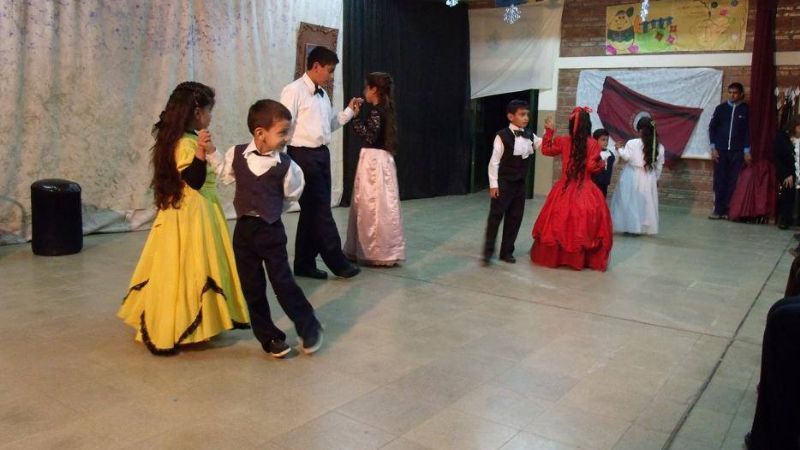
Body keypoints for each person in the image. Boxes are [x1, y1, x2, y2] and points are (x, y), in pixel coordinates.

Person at [118, 82, 249, 355]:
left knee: (185, 266)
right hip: (193, 214)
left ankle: (195, 322)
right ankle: (175, 324)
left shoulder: (177, 139)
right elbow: (195, 180)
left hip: (191, 211)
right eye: (210, 111)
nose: (211, 117)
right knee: (189, 267)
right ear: (198, 112)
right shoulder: (186, 143)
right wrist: (202, 150)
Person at [208, 99, 323, 358]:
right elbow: (226, 174)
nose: (287, 138)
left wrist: (269, 212)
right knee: (252, 287)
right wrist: (212, 152)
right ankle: (269, 337)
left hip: (270, 231)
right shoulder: (236, 154)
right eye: (282, 132)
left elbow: (290, 197)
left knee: (283, 282)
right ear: (260, 133)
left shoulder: (288, 166)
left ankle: (308, 325)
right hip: (244, 233)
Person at [280, 46, 362, 280]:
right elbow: (284, 125)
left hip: (321, 155)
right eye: (329, 70)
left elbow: (329, 125)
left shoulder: (323, 94)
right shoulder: (293, 91)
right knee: (321, 212)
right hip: (302, 156)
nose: (331, 75)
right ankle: (337, 261)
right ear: (315, 67)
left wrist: (349, 112)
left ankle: (304, 264)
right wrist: (282, 160)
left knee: (311, 212)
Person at [530, 107, 613, 271]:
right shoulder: (593, 144)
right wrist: (601, 164)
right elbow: (591, 166)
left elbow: (546, 150)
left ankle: (558, 257)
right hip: (586, 188)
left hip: (564, 187)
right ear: (588, 125)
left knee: (559, 221)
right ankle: (580, 259)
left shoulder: (563, 141)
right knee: (583, 224)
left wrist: (549, 131)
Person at [344, 72, 406, 266]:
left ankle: (374, 250)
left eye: (366, 87)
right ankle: (383, 248)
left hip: (373, 162)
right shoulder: (386, 109)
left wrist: (354, 117)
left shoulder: (377, 111)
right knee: (383, 205)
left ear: (374, 90)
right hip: (383, 160)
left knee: (371, 205)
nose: (364, 91)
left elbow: (369, 136)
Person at [483, 99, 543, 264]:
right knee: (496, 216)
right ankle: (488, 252)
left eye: (527, 115)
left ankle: (507, 251)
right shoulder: (501, 136)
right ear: (511, 116)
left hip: (520, 183)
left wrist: (550, 132)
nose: (526, 118)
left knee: (515, 218)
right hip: (503, 182)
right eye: (522, 114)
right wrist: (493, 185)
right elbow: (494, 162)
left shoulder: (530, 134)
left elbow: (543, 144)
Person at [610, 117, 665, 235]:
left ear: (639, 130)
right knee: (644, 203)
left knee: (629, 201)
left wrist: (619, 149)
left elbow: (626, 157)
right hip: (648, 176)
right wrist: (656, 178)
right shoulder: (659, 147)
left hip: (631, 174)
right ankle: (640, 228)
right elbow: (659, 166)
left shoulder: (632, 143)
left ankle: (629, 226)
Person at [708, 82, 751, 220]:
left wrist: (746, 151)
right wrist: (713, 148)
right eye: (730, 92)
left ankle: (727, 210)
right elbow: (712, 128)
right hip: (721, 150)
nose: (732, 95)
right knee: (720, 180)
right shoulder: (721, 109)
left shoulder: (746, 110)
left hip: (737, 152)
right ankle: (718, 210)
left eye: (735, 93)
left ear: (741, 94)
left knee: (733, 181)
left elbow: (748, 132)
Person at [773, 115, 800, 230]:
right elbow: (777, 157)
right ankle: (785, 219)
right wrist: (786, 174)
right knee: (788, 192)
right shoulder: (782, 137)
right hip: (788, 172)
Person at [591, 128, 616, 197]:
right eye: (603, 140)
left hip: (604, 184)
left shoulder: (610, 154)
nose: (605, 142)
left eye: (607, 140)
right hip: (594, 184)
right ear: (595, 140)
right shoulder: (592, 153)